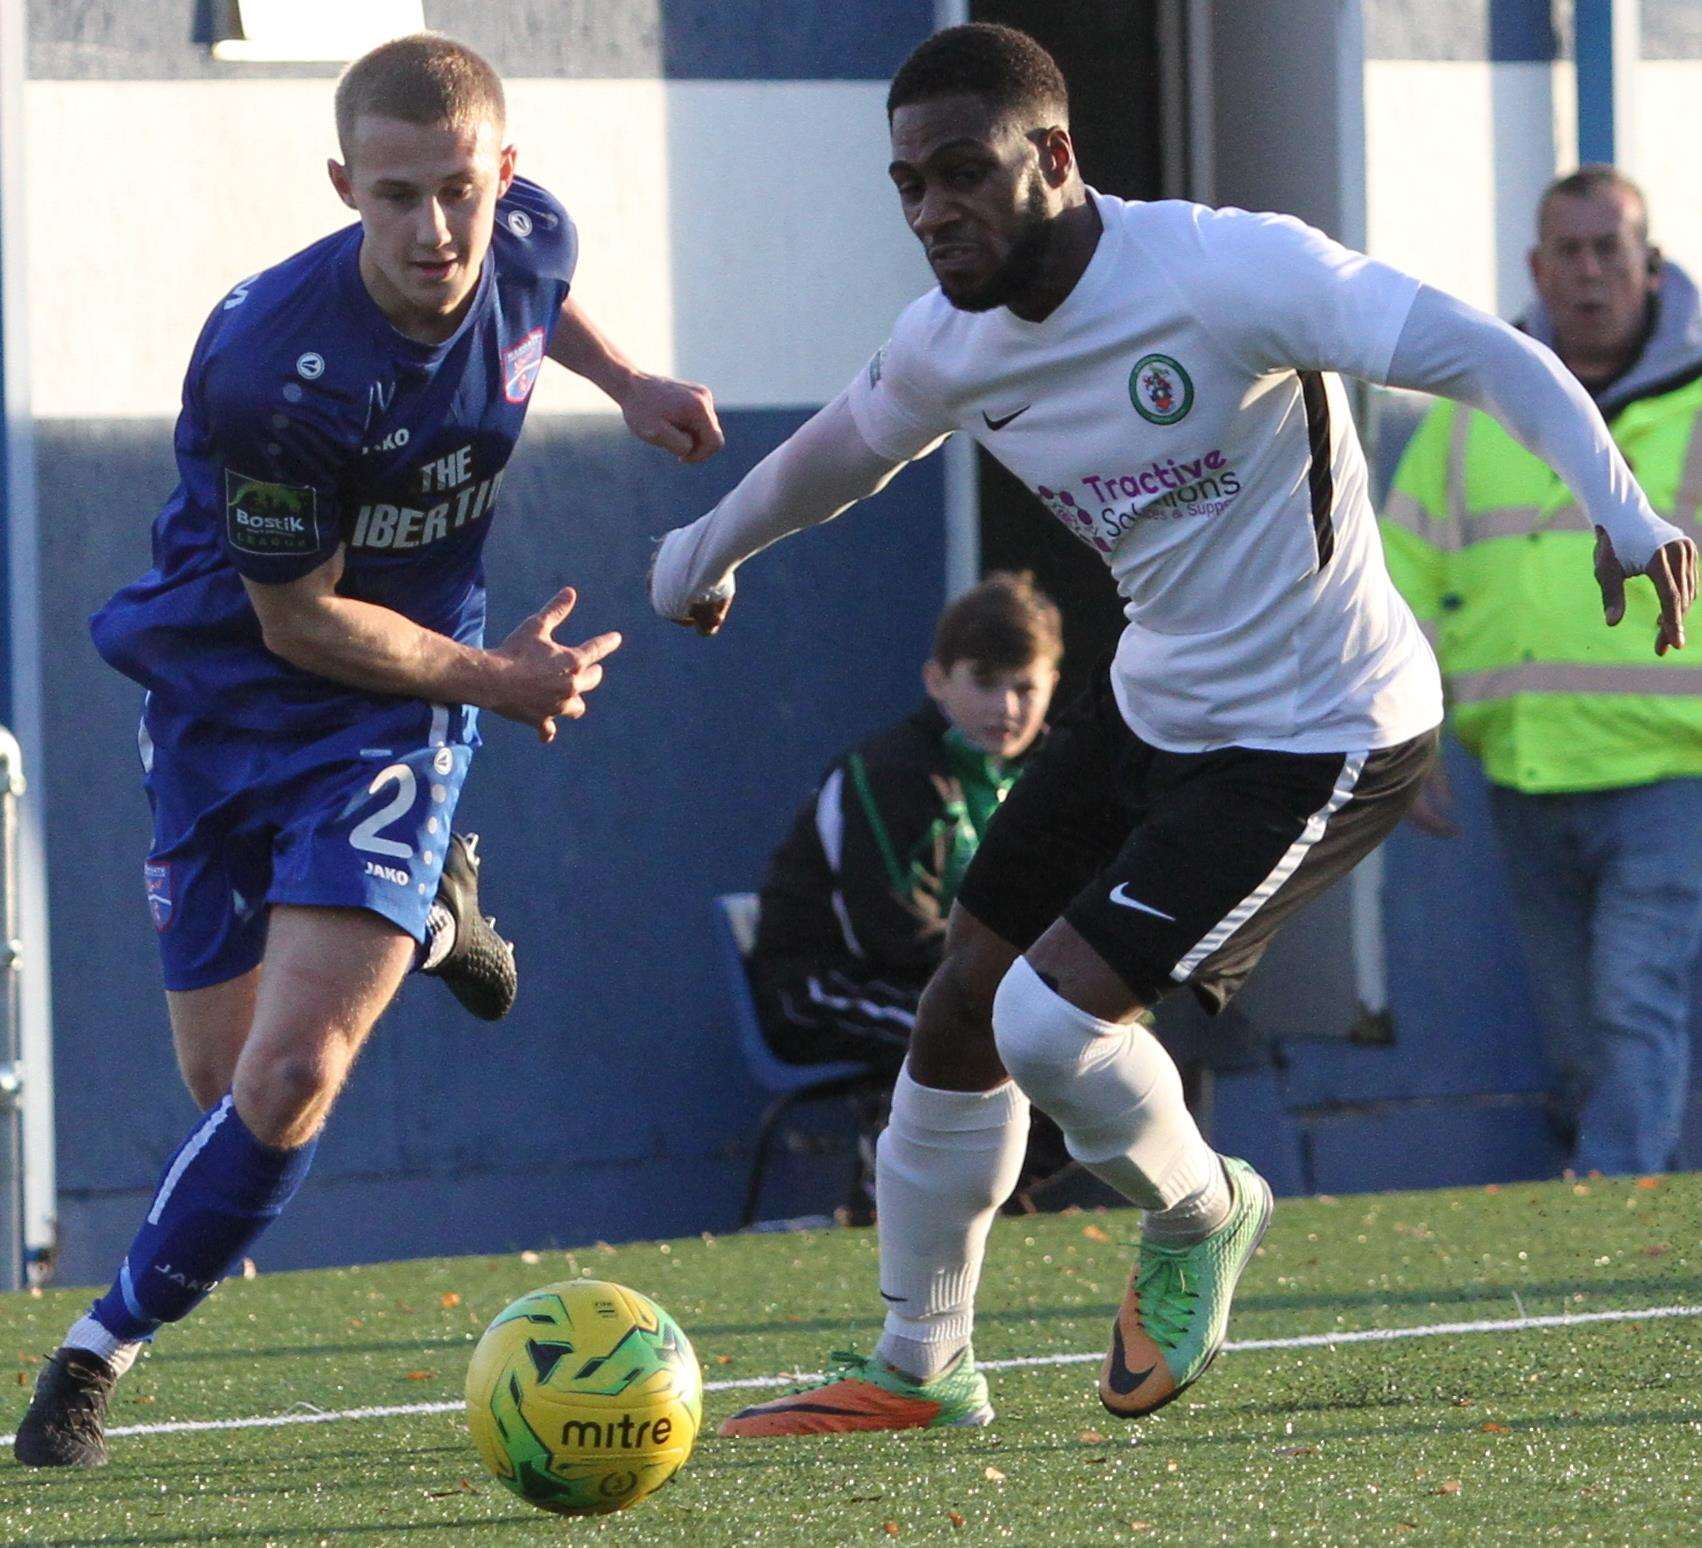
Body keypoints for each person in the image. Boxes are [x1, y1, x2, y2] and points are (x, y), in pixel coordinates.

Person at [649, 24, 1695, 1435]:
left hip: (1328, 731)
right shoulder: (950, 345)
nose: (932, 210)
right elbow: (841, 450)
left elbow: (1470, 354)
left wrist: (1617, 505)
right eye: (908, 184)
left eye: (963, 171)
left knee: (1043, 1020)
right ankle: (920, 1362)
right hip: (1156, 704)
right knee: (962, 993)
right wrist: (707, 547)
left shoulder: (1224, 270)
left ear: (1057, 157)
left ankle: (1202, 1211)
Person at [14, 32, 722, 1468]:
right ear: (345, 185)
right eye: (396, 196)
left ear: (503, 173)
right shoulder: (280, 369)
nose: (435, 228)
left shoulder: (528, 238)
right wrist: (505, 679)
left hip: (391, 721)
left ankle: (92, 1355)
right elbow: (298, 625)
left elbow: (541, 300)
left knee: (288, 1083)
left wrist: (632, 385)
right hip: (236, 697)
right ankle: (437, 920)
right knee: (230, 1093)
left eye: (459, 188)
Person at [1382, 167, 1702, 1176]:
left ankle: (1611, 1223)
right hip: (1522, 776)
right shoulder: (1477, 408)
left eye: (1611, 249)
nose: (1590, 272)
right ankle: (1602, 1202)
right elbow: (1397, 576)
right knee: (1576, 1039)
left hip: (1666, 777)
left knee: (1628, 1009)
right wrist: (1407, 730)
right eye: (1569, 251)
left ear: (1648, 265)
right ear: (1535, 267)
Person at [750, 571, 1062, 1220]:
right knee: (961, 1033)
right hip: (821, 983)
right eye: (984, 682)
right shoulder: (890, 773)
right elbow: (887, 936)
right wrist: (1023, 988)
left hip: (953, 980)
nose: (1006, 707)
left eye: (1025, 687)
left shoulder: (1050, 776)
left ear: (1052, 686)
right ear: (936, 682)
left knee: (1086, 1041)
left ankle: (980, 1197)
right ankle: (888, 1201)